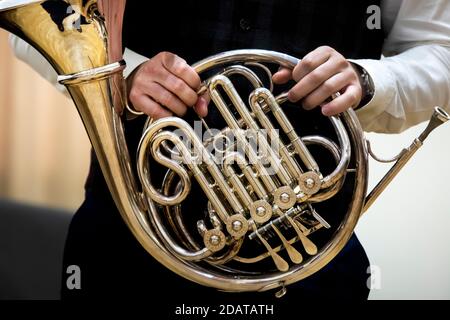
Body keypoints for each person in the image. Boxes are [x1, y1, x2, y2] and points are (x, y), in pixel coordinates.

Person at [9, 0, 450, 307]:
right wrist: (122, 76)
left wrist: (368, 80)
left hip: (309, 254)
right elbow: (38, 13)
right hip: (127, 248)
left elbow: (440, 53)